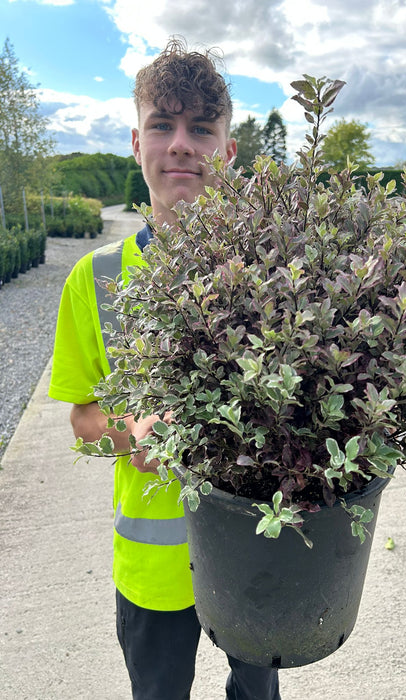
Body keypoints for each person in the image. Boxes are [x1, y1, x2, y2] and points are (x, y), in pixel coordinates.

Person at [49, 37, 281, 700]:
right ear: (136, 142)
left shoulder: (273, 278)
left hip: (254, 558)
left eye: (201, 128)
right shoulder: (93, 280)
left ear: (227, 152)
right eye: (163, 124)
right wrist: (133, 428)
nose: (181, 143)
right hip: (150, 572)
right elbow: (83, 421)